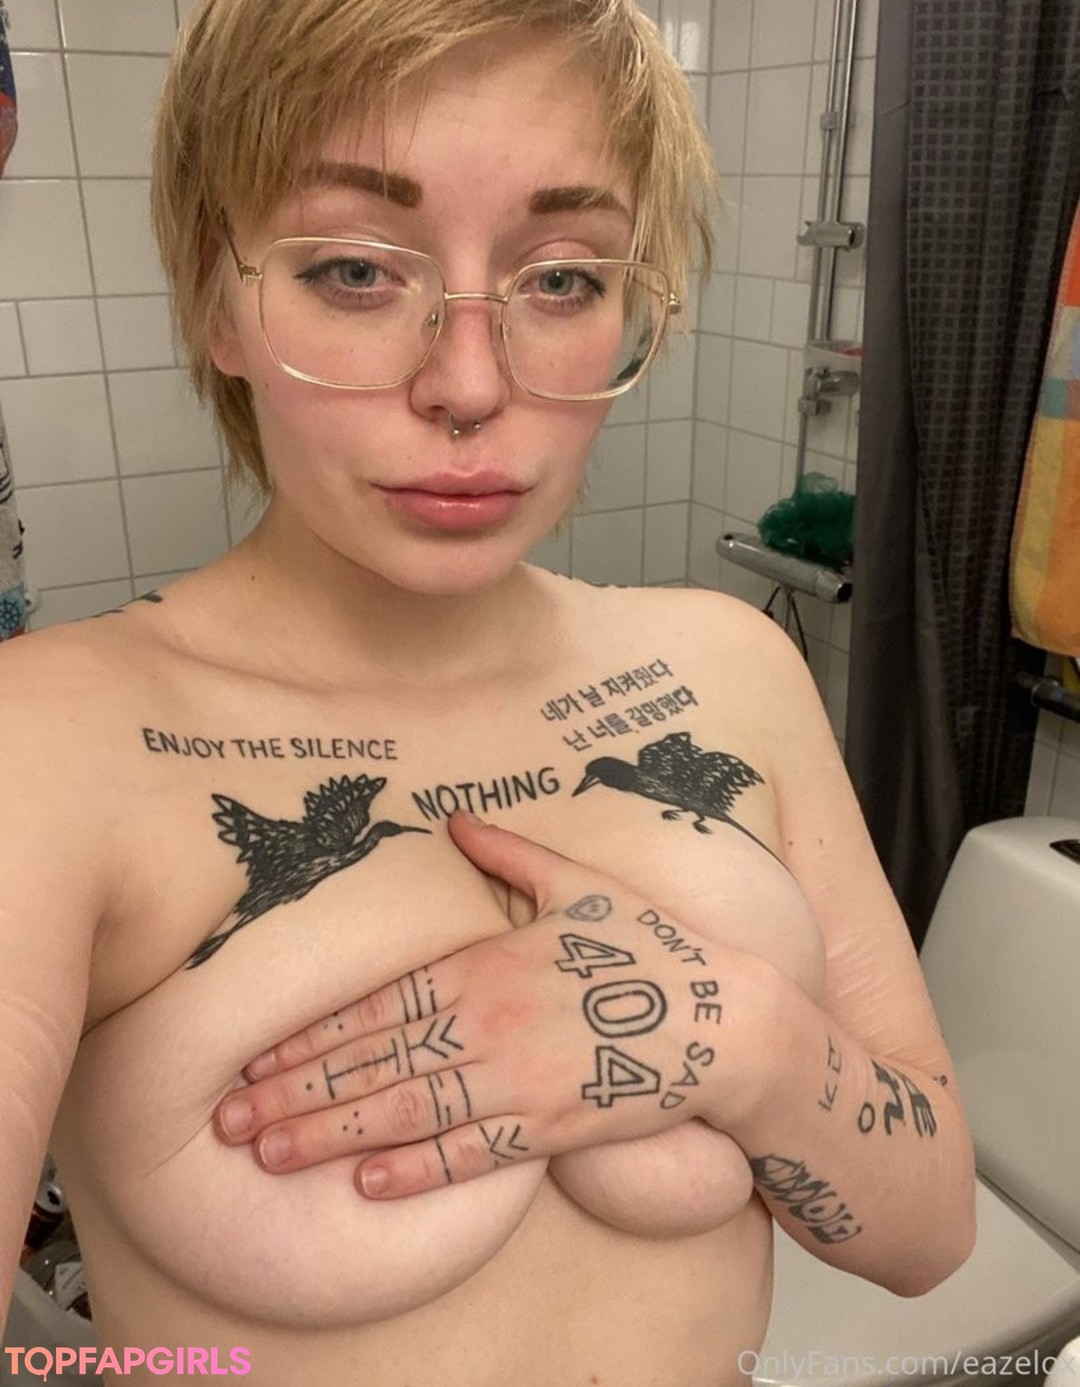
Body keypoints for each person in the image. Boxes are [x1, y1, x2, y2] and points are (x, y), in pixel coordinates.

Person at [0, 0, 975, 1382]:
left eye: (563, 279)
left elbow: (931, 1233)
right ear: (220, 300)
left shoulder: (732, 667)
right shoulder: (47, 747)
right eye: (354, 269)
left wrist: (724, 1034)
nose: (467, 384)